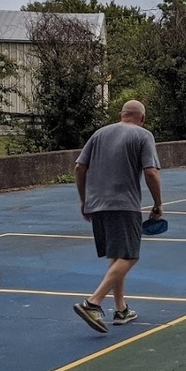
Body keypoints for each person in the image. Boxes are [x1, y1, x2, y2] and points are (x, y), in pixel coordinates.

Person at [72, 99, 163, 333]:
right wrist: (158, 204)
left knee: (116, 256)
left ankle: (121, 309)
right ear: (142, 118)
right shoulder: (143, 135)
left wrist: (84, 201)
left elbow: (79, 167)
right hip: (124, 205)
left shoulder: (99, 134)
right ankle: (93, 302)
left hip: (97, 205)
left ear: (121, 114)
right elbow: (151, 172)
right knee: (130, 256)